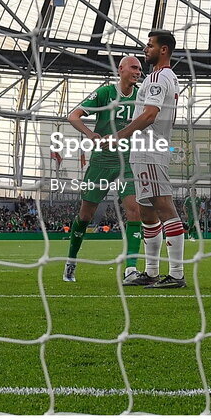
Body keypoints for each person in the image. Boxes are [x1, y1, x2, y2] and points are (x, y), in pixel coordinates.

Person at [113, 30, 186, 289]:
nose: (146, 49)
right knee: (147, 212)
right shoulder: (168, 77)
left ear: (163, 50)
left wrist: (119, 136)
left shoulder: (156, 77)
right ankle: (151, 271)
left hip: (150, 149)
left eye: (150, 45)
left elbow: (150, 115)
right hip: (147, 150)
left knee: (164, 206)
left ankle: (176, 274)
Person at [62, 56, 143, 283]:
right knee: (85, 215)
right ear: (121, 69)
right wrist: (92, 135)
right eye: (134, 67)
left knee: (134, 211)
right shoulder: (106, 93)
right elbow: (73, 116)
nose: (138, 72)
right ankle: (71, 260)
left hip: (127, 161)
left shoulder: (141, 96)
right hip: (101, 162)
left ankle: (130, 269)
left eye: (140, 68)